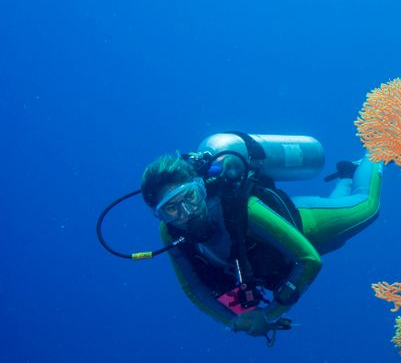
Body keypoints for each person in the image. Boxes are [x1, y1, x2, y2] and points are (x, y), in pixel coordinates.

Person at [139, 142, 382, 343]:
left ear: (201, 188)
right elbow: (196, 289)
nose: (187, 212)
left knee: (366, 207)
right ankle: (347, 175)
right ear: (159, 215)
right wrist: (237, 319)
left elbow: (309, 259)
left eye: (190, 197)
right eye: (171, 209)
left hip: (306, 225)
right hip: (280, 257)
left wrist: (269, 314)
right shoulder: (170, 233)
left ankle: (378, 151)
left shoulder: (242, 208)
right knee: (337, 242)